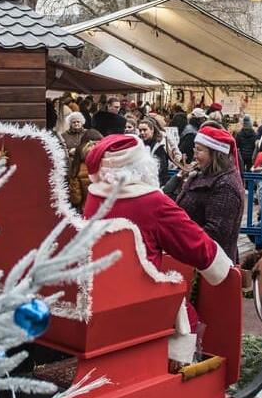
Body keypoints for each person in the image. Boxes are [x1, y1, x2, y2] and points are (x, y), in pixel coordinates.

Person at [81, 135, 233, 364]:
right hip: (138, 299)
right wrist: (223, 268)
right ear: (143, 165)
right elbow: (194, 244)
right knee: (184, 315)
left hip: (100, 292)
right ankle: (173, 370)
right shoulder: (151, 202)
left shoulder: (95, 195)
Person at [173, 126, 246, 262]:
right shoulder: (204, 173)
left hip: (209, 266)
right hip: (192, 258)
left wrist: (178, 237)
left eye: (199, 150)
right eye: (195, 149)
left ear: (215, 153)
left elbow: (215, 234)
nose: (194, 155)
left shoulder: (226, 186)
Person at [138, 117, 170, 187]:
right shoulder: (139, 144)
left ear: (152, 130)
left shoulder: (159, 146)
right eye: (140, 130)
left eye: (144, 130)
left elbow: (161, 169)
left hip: (157, 183)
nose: (142, 133)